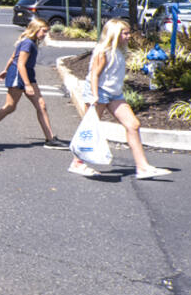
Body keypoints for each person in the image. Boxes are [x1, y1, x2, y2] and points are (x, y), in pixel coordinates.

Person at [69, 18, 172, 180]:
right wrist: (95, 95)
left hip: (115, 94)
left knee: (133, 125)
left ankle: (143, 167)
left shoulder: (119, 51)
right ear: (114, 34)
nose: (129, 36)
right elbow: (94, 75)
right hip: (99, 92)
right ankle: (77, 162)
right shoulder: (103, 51)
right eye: (125, 33)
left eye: (128, 33)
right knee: (90, 128)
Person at [0, 17, 66, 147]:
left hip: (28, 74)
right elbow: (20, 64)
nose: (45, 34)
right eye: (44, 31)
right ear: (36, 29)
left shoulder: (31, 41)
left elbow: (13, 57)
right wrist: (27, 85)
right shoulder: (27, 43)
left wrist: (5, 70)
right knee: (10, 107)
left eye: (47, 31)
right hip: (19, 75)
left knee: (41, 105)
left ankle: (50, 139)